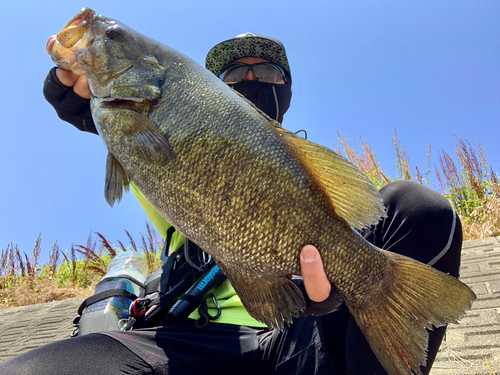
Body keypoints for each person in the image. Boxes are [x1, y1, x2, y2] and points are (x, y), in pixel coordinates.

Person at [0, 33, 462, 375]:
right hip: (179, 341)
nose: (250, 77)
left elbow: (360, 219)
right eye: (235, 73)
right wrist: (91, 110)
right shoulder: (165, 132)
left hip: (295, 340)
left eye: (266, 71)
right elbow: (141, 140)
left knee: (416, 206)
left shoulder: (306, 177)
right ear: (207, 90)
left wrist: (330, 290)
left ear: (285, 90)